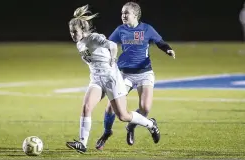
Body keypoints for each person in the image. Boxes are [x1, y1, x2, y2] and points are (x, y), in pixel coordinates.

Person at [66, 4, 160, 154]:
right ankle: (82, 143)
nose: (72, 34)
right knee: (86, 107)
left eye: (74, 31)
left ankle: (150, 124)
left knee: (123, 116)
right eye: (70, 31)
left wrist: (113, 58)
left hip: (112, 79)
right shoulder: (79, 44)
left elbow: (112, 45)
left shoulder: (94, 38)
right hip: (96, 80)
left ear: (83, 30)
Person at [95, 2, 175, 150]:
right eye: (122, 13)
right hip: (124, 74)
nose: (123, 16)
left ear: (136, 15)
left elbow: (160, 42)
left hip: (144, 73)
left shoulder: (147, 29)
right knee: (110, 108)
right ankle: (106, 133)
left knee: (145, 108)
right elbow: (108, 44)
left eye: (126, 13)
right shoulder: (120, 30)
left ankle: (131, 126)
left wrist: (168, 49)